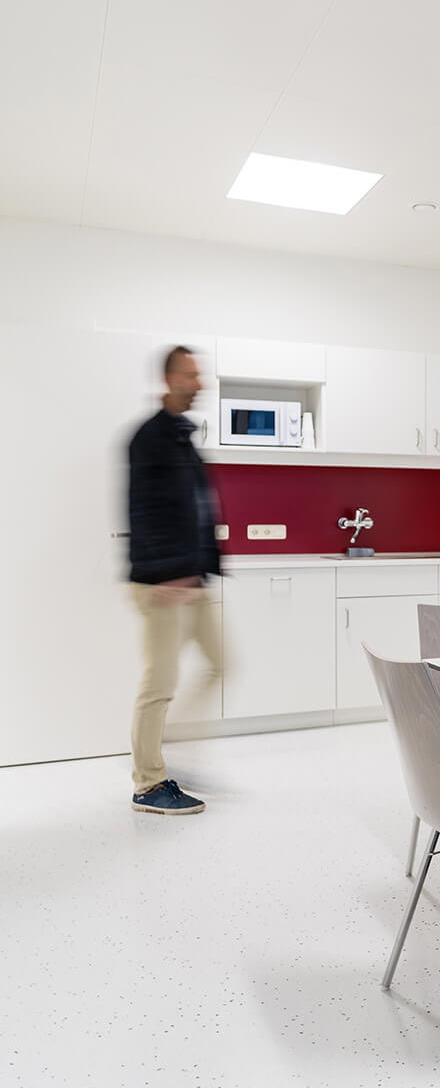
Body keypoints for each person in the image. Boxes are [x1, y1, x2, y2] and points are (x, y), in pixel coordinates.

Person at [128, 346, 222, 814]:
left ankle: (171, 749)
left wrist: (203, 565)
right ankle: (148, 784)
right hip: (162, 583)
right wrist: (168, 570)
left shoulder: (182, 436)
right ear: (168, 379)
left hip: (191, 578)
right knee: (159, 683)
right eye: (190, 375)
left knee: (220, 662)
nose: (199, 383)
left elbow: (197, 508)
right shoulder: (149, 438)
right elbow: (142, 511)